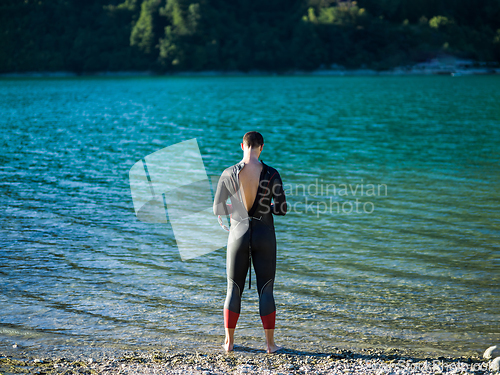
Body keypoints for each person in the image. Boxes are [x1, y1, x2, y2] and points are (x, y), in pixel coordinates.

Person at [213, 131, 287, 354]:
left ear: (242, 146)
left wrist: (234, 209)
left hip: (238, 235)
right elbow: (282, 209)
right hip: (264, 235)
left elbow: (218, 208)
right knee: (266, 290)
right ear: (261, 147)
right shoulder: (272, 174)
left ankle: (229, 343)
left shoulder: (227, 174)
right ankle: (270, 345)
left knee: (233, 290)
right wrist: (266, 208)